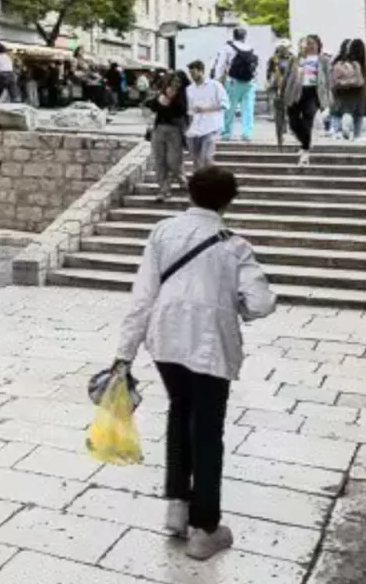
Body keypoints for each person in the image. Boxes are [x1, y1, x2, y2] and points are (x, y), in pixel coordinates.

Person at [113, 166, 277, 561]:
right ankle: (205, 527)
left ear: (190, 193)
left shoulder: (163, 231)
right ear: (228, 200)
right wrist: (237, 307)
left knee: (178, 414)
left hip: (164, 340)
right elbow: (260, 302)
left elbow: (142, 296)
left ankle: (176, 508)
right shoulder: (235, 245)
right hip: (209, 346)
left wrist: (124, 353)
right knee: (206, 431)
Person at [286, 35, 329, 163]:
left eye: (312, 44)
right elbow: (287, 77)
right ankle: (306, 142)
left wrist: (328, 97)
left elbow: (328, 80)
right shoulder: (295, 59)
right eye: (307, 44)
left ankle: (305, 149)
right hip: (296, 92)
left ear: (318, 45)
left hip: (313, 93)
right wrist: (282, 92)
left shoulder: (323, 60)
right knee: (293, 121)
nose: (309, 46)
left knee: (308, 117)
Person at [147, 72, 189, 200]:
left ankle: (181, 178)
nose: (175, 84)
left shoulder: (184, 95)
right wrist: (161, 99)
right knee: (159, 161)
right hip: (159, 129)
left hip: (175, 130)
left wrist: (171, 100)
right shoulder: (163, 92)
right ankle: (163, 190)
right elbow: (151, 105)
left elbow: (181, 111)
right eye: (173, 81)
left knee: (173, 161)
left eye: (178, 82)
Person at [213, 28, 259, 142]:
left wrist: (217, 80)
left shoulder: (228, 48)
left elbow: (221, 65)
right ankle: (247, 133)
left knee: (229, 108)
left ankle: (227, 133)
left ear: (233, 36)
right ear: (244, 36)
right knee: (248, 108)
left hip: (233, 82)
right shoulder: (251, 49)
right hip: (249, 82)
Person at [183, 60, 228, 170]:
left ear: (201, 71)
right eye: (190, 73)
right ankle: (200, 183)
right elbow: (188, 110)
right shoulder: (189, 89)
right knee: (196, 160)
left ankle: (212, 181)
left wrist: (205, 109)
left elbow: (225, 104)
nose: (192, 76)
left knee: (207, 157)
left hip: (211, 127)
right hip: (194, 129)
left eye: (193, 72)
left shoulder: (215, 85)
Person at [331, 38, 366, 140]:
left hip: (343, 91)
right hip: (359, 90)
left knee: (343, 111)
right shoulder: (362, 60)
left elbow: (333, 77)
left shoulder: (339, 60)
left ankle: (339, 131)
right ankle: (357, 135)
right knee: (358, 113)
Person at [265, 44, 294, 148]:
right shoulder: (292, 58)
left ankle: (281, 133)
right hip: (285, 88)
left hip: (278, 88)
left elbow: (268, 74)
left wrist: (269, 82)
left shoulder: (273, 59)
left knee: (280, 112)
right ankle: (283, 131)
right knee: (285, 110)